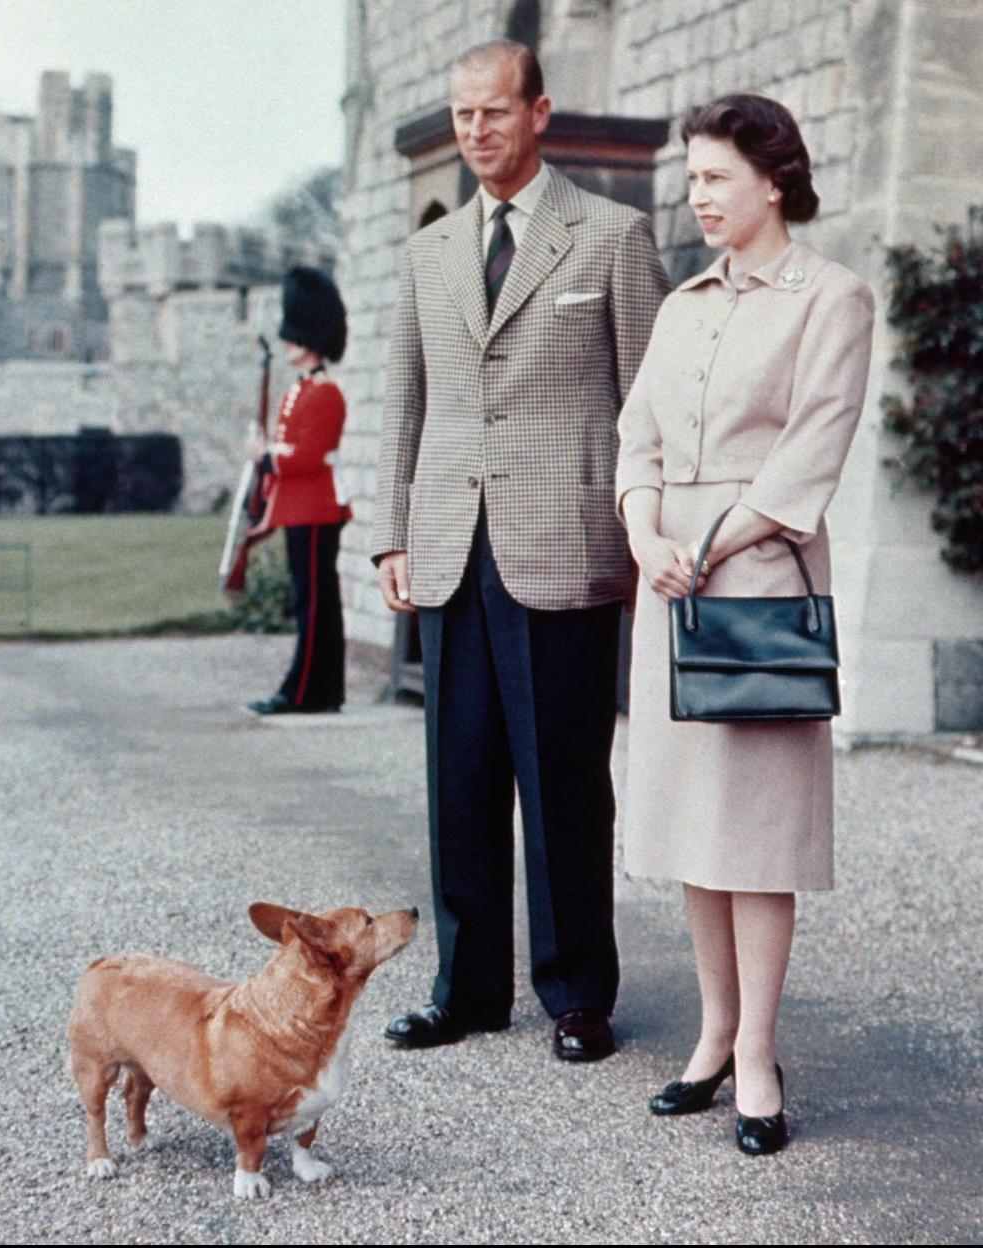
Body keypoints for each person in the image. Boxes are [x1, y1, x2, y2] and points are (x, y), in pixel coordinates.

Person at [371, 39, 670, 1058]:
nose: (475, 132)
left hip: (565, 549)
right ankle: (466, 990)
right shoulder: (430, 251)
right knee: (458, 778)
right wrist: (388, 538)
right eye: (461, 116)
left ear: (539, 112)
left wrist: (646, 534)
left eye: (494, 112)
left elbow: (651, 405)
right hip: (451, 544)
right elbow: (402, 404)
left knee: (563, 781)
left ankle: (578, 991)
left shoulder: (613, 239)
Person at [615, 93, 875, 1154]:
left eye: (716, 177)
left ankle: (760, 1053)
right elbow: (633, 439)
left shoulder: (834, 298)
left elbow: (813, 450)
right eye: (690, 180)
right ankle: (713, 1036)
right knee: (692, 829)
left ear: (775, 181)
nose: (699, 197)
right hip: (668, 586)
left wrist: (708, 543)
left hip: (756, 580)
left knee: (758, 836)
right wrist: (642, 534)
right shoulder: (681, 306)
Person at [248, 266, 350, 716]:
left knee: (314, 604)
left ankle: (304, 690)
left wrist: (265, 456)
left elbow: (307, 455)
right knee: (314, 601)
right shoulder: (303, 390)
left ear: (308, 340)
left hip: (314, 508)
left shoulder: (326, 392)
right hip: (299, 508)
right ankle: (323, 689)